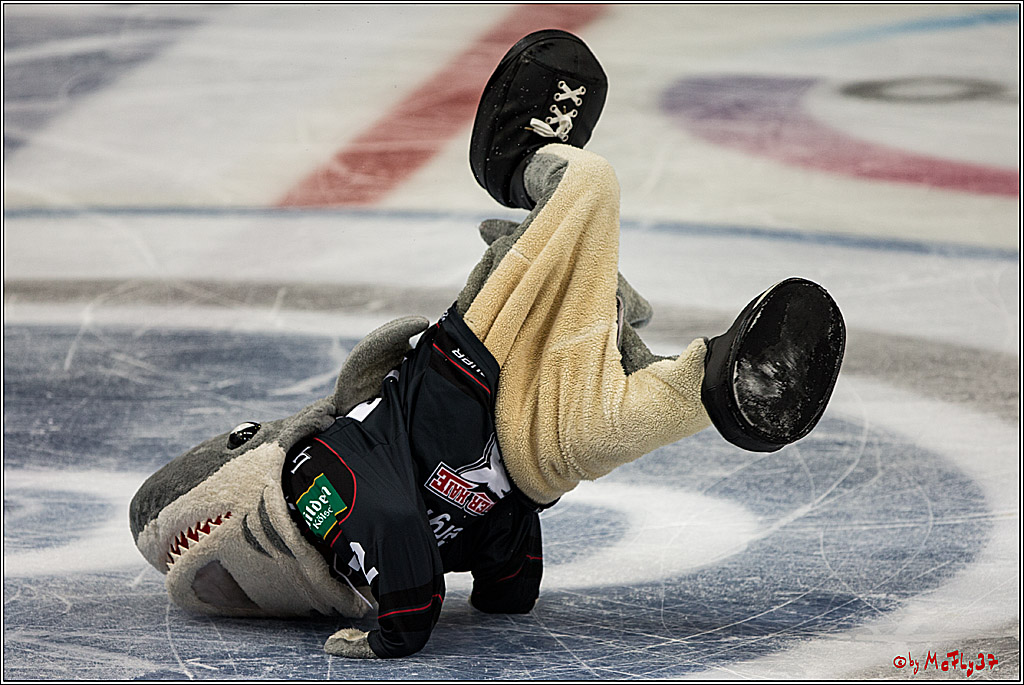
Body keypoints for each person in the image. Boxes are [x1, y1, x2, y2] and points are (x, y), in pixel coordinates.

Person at [129, 29, 845, 660]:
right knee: (631, 420)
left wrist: (399, 629)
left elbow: (391, 524)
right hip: (533, 453)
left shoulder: (308, 468)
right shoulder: (330, 536)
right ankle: (728, 384)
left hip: (480, 363)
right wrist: (499, 587)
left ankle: (522, 161)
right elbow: (492, 542)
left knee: (589, 186)